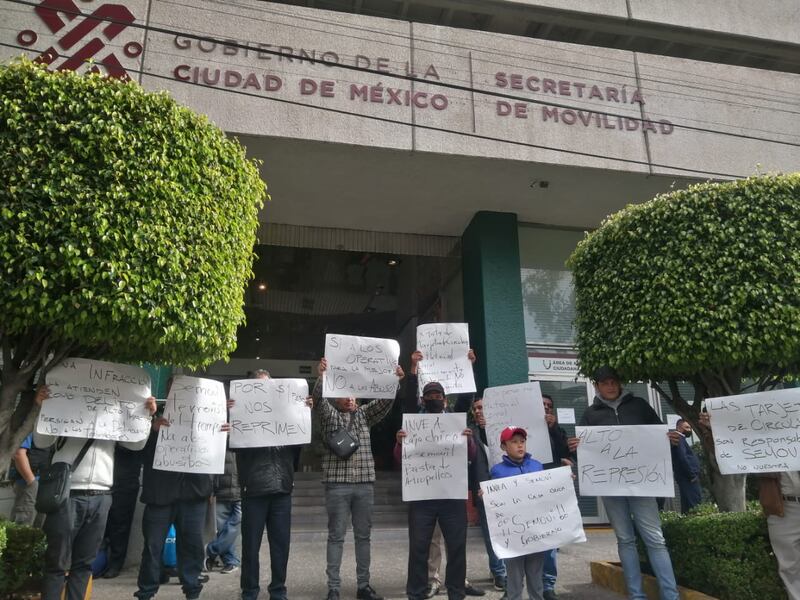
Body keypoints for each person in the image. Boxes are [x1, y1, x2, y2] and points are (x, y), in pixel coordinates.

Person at [33, 386, 156, 600]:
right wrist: (43, 409)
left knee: (84, 564)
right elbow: (41, 441)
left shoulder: (112, 419)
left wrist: (145, 416)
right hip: (67, 494)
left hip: (102, 495)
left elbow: (136, 444)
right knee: (56, 563)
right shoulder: (66, 413)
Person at [568, 366, 680, 600]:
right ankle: (636, 596)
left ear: (619, 384)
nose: (609, 386)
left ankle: (671, 595)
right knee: (625, 540)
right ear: (597, 386)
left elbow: (659, 435)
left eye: (613, 382)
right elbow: (588, 454)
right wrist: (578, 450)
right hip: (611, 487)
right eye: (604, 383)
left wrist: (668, 438)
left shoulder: (639, 405)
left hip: (643, 484)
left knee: (655, 539)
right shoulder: (591, 414)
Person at [313, 357, 405, 600]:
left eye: (353, 394)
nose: (350, 398)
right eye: (344, 394)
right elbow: (319, 402)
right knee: (336, 537)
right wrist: (321, 377)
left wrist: (394, 381)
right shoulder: (329, 416)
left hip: (365, 484)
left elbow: (384, 404)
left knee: (363, 537)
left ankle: (363, 586)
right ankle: (333, 588)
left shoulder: (364, 415)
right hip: (337, 486)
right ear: (336, 397)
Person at [396, 373, 476, 600]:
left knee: (457, 547)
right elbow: (399, 459)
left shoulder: (456, 423)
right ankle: (416, 594)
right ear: (423, 400)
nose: (434, 398)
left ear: (445, 399)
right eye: (429, 395)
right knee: (418, 548)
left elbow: (471, 456)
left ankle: (456, 593)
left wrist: (468, 440)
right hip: (422, 498)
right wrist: (399, 442)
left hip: (452, 498)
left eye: (437, 395)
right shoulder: (412, 423)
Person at [135, 396, 224, 600]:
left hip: (194, 493)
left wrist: (222, 435)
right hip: (160, 493)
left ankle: (192, 591)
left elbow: (217, 456)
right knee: (152, 546)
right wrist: (152, 429)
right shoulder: (153, 417)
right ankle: (146, 592)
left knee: (192, 546)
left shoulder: (209, 418)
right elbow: (137, 452)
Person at [234, 368, 300, 600]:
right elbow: (232, 444)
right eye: (260, 385)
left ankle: (278, 591)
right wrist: (230, 415)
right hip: (253, 489)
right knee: (250, 546)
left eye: (268, 385)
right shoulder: (239, 412)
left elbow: (298, 445)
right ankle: (249, 591)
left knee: (281, 546)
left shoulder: (286, 411)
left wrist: (302, 412)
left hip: (282, 487)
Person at [490, 427, 546, 600]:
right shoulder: (497, 471)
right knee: (514, 580)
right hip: (513, 535)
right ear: (503, 447)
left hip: (536, 532)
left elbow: (548, 493)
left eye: (522, 441)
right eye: (513, 442)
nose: (519, 445)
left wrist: (564, 481)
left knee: (536, 578)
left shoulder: (537, 466)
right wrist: (486, 495)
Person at [468, 397, 507, 593]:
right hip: (483, 490)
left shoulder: (505, 430)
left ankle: (510, 570)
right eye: (475, 408)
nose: (478, 411)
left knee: (508, 530)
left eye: (481, 407)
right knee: (490, 534)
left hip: (507, 488)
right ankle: (499, 571)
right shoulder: (470, 432)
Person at [540, 394, 573, 600]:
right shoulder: (520, 428)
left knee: (550, 540)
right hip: (523, 489)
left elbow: (566, 453)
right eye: (542, 405)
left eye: (549, 406)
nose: (546, 408)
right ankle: (513, 587)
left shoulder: (558, 431)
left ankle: (548, 585)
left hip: (550, 488)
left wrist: (553, 428)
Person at [100, 444, 145, 578]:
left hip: (126, 473)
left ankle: (115, 562)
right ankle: (99, 561)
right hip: (104, 470)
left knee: (120, 522)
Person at [205, 447, 241, 574]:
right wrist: (210, 490)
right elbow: (210, 469)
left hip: (241, 493)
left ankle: (210, 551)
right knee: (223, 530)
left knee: (232, 527)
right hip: (221, 494)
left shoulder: (244, 441)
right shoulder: (217, 442)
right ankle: (230, 561)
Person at [9, 433, 51, 527]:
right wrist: (31, 481)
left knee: (39, 526)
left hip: (46, 481)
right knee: (23, 524)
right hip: (29, 481)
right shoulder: (30, 425)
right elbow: (18, 453)